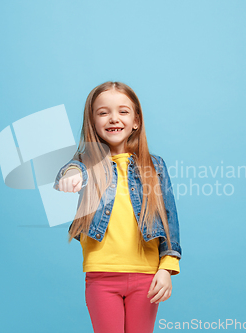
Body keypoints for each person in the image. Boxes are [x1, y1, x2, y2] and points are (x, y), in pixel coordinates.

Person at [53, 81, 182, 333]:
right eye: (103, 112)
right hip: (101, 276)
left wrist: (167, 267)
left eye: (123, 111)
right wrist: (70, 176)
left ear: (136, 120)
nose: (114, 118)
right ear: (92, 121)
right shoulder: (86, 162)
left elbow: (169, 219)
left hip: (146, 276)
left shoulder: (154, 166)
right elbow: (69, 170)